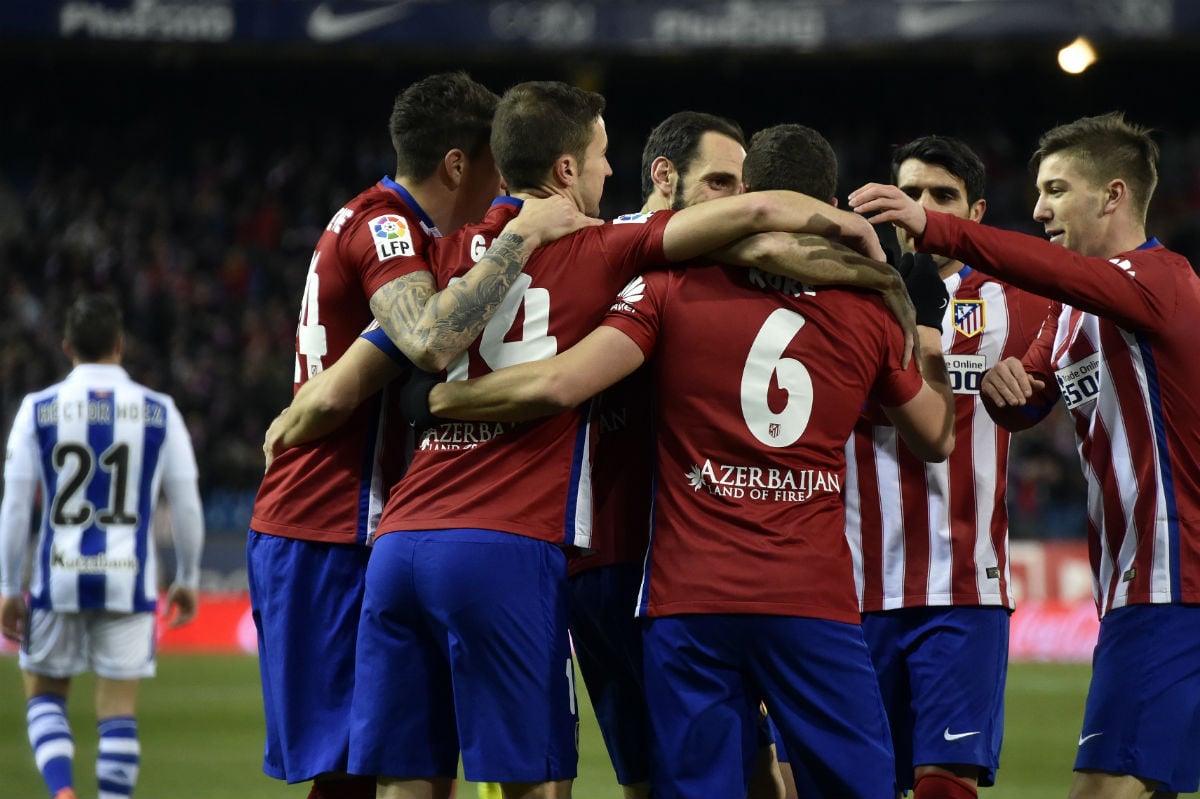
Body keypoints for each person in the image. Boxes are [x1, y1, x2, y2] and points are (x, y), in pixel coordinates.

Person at [347, 83, 901, 799]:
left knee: (408, 778)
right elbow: (763, 219)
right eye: (604, 156)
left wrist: (432, 398)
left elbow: (370, 366)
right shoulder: (610, 248)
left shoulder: (444, 252)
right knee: (544, 783)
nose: (613, 171)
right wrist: (865, 249)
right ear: (569, 170)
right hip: (523, 544)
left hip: (401, 539)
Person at [247, 71, 599, 799]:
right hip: (334, 517)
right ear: (458, 165)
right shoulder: (391, 227)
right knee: (355, 770)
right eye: (497, 170)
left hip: (359, 520)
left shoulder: (412, 233)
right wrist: (524, 235)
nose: (508, 191)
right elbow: (426, 337)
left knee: (393, 763)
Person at [849, 111, 1200, 799]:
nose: (1039, 208)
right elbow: (1024, 396)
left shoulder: (1163, 278)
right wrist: (1009, 392)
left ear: (1113, 194)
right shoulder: (1071, 313)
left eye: (1057, 190)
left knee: (1100, 787)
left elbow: (1040, 266)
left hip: (1175, 576)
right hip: (1134, 582)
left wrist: (936, 229)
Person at [842, 135, 1050, 799]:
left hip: (963, 584)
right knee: (855, 782)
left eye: (942, 197)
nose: (919, 208)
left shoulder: (1018, 300)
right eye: (910, 193)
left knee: (945, 781)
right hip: (853, 586)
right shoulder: (843, 289)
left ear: (976, 211)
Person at [0, 294, 204, 799]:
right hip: (128, 578)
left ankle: (63, 792)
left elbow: (16, 503)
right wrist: (189, 578)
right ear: (120, 344)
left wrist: (8, 585)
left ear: (67, 346)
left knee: (45, 694)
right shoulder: (159, 411)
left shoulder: (38, 410)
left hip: (58, 577)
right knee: (117, 713)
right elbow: (186, 502)